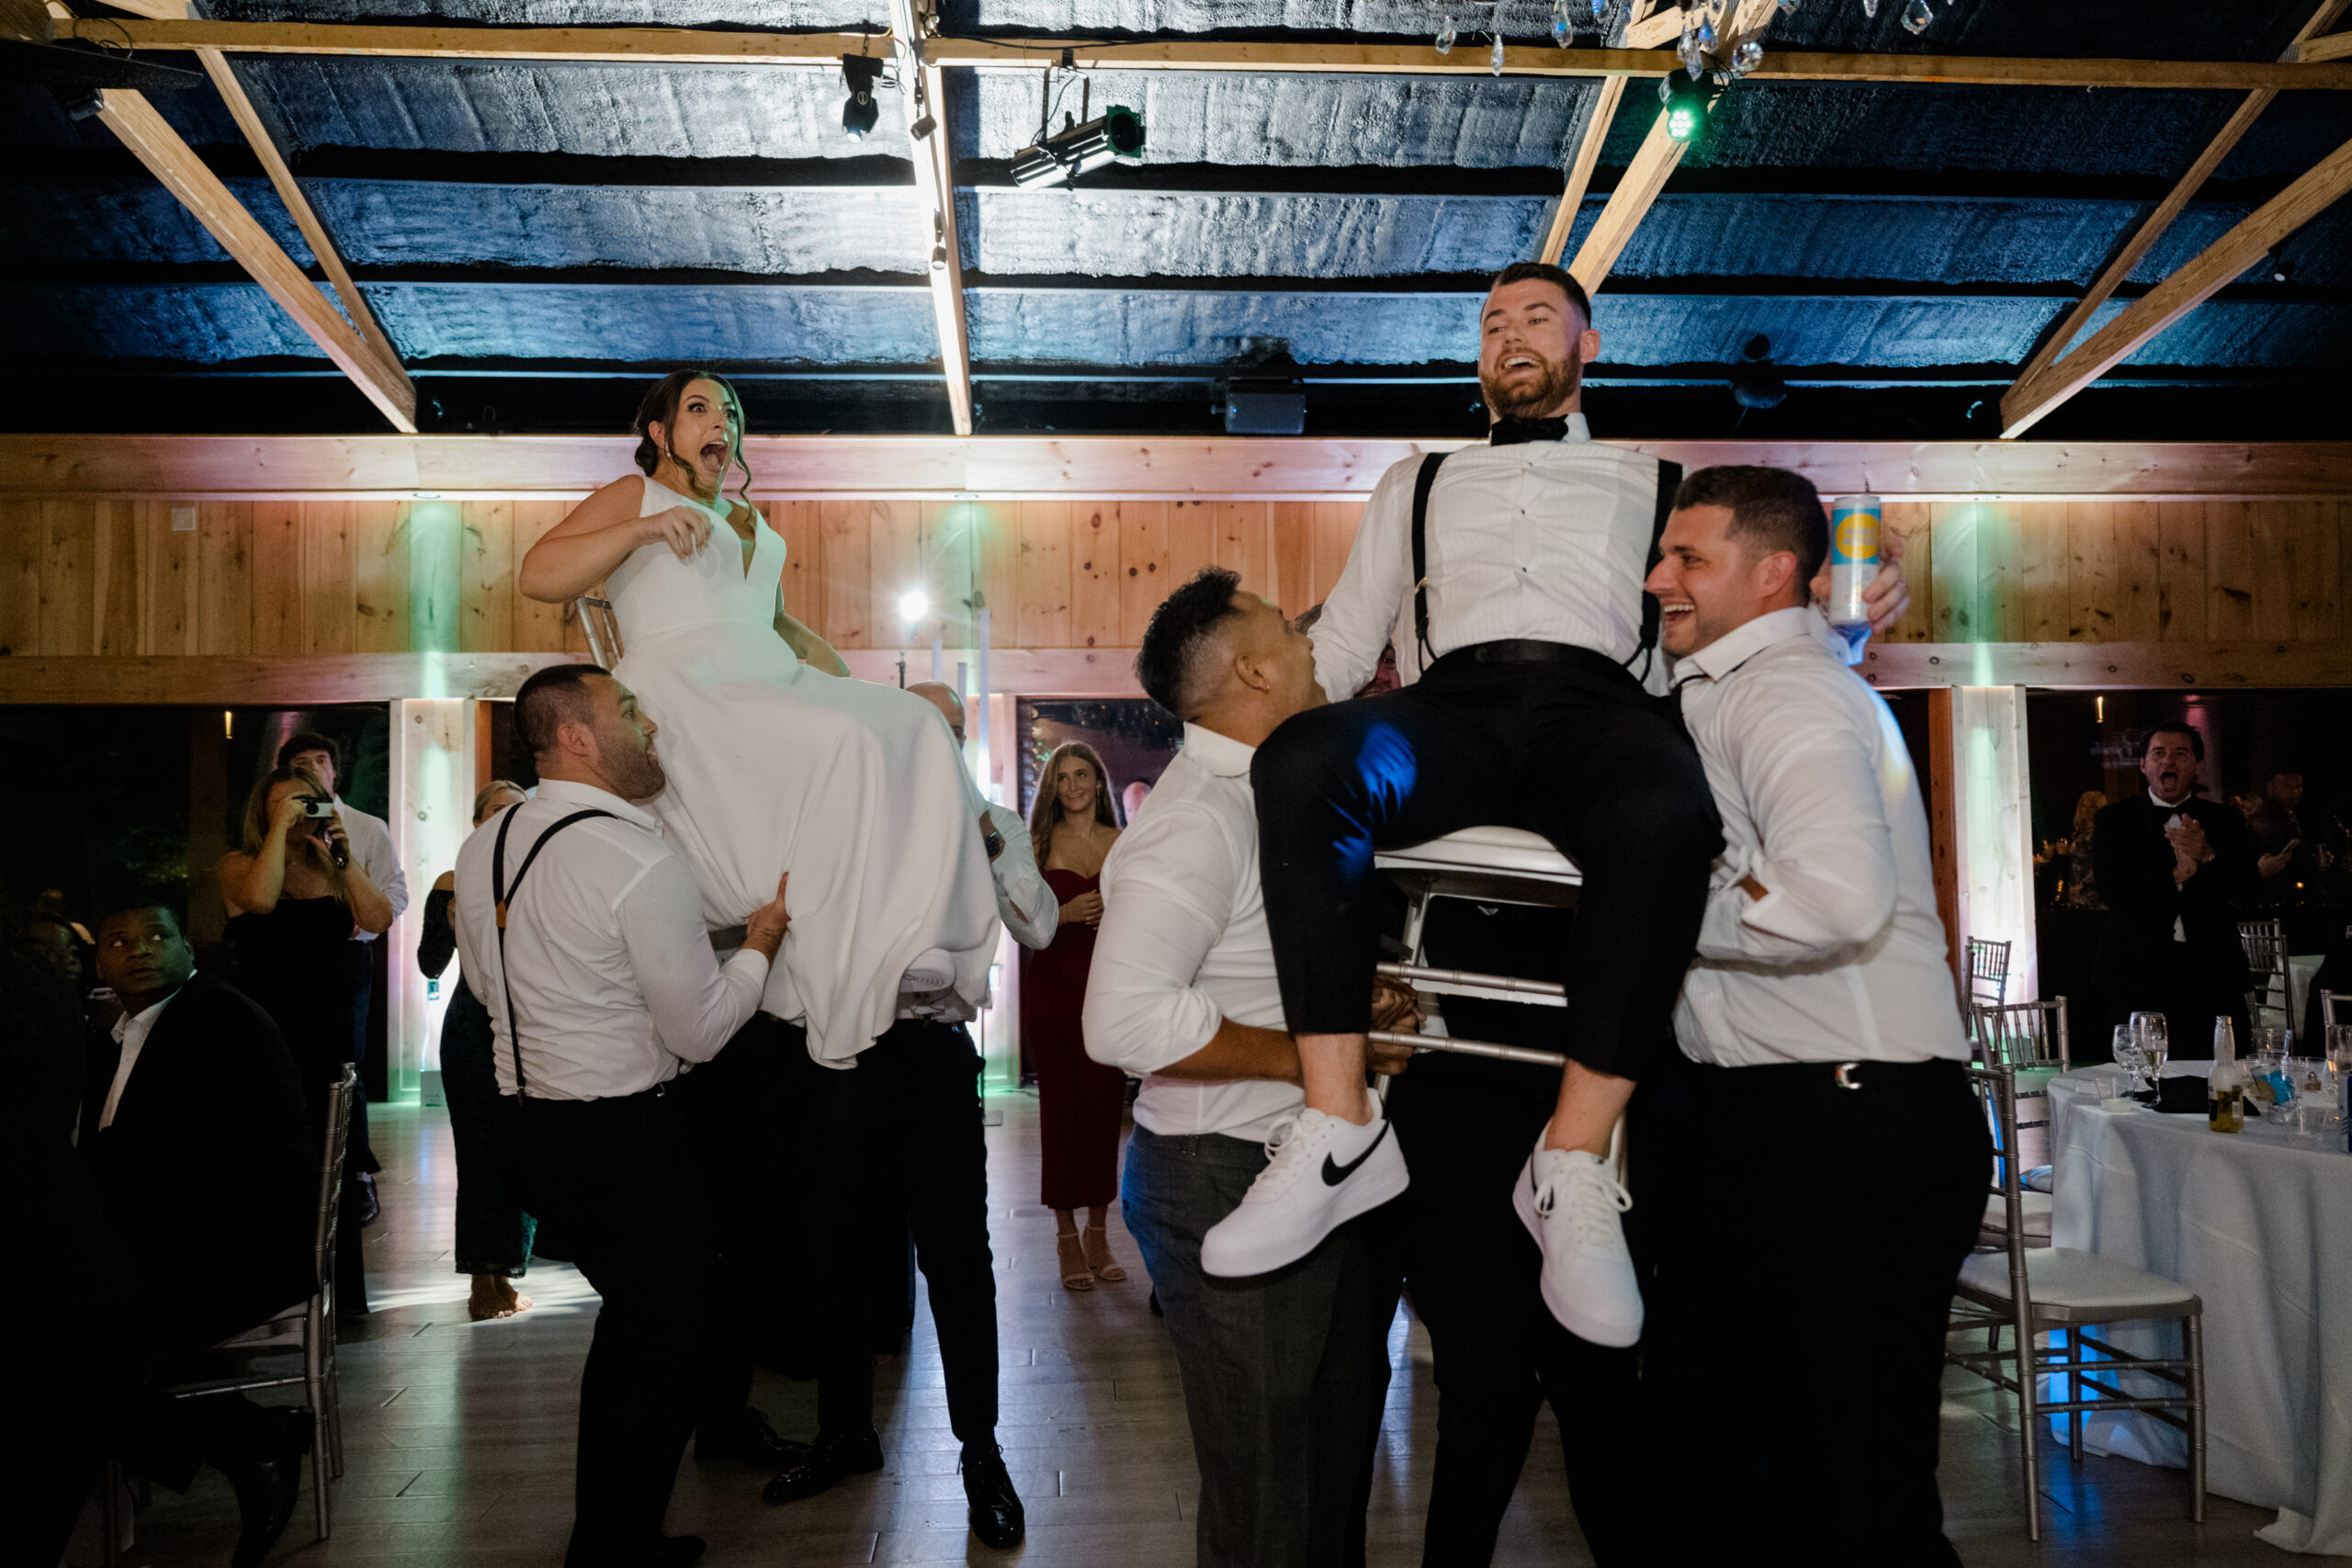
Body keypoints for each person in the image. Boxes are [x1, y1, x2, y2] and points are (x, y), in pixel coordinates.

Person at [1228, 260, 1906, 1345]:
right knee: (1304, 762)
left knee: (1666, 813)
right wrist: (1236, 730)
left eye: (1538, 316)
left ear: (1587, 346)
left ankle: (1572, 1160)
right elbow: (1348, 647)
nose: (1510, 334)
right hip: (1448, 709)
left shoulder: (1663, 482)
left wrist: (1853, 623)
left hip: (1599, 710)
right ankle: (1337, 1120)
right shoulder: (1415, 479)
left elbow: (1730, 626)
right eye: (1492, 322)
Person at [1639, 466, 1988, 1562]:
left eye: (1689, 558)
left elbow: (1830, 903)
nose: (1659, 578)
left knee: (1854, 1480)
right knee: (1757, 1459)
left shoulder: (1783, 691)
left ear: (1777, 569)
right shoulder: (1731, 682)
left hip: (1850, 1122)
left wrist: (1651, 911)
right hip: (1776, 1122)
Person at [516, 369, 1000, 1063]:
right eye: (700, 408)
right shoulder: (638, 495)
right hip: (690, 685)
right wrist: (642, 526)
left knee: (915, 723)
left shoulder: (751, 517)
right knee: (844, 741)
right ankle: (859, 951)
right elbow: (538, 573)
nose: (723, 423)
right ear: (660, 432)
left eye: (731, 412)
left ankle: (921, 939)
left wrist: (860, 692)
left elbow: (780, 626)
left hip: (767, 674)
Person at [1084, 567, 1415, 1568]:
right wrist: (1327, 1060)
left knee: (1336, 1461)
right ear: (1253, 669)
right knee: (1264, 1488)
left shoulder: (1290, 789)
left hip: (1326, 1166)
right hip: (1224, 1170)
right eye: (1285, 625)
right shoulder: (1193, 824)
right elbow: (1125, 1021)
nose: (1311, 638)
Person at [452, 663, 793, 1568]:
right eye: (630, 711)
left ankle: (612, 1537)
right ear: (573, 734)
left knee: (639, 1335)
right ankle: (609, 1550)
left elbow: (487, 990)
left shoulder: (483, 845)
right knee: (663, 1348)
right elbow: (704, 1027)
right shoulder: (638, 855)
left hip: (524, 1134)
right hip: (621, 1143)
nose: (650, 727)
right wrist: (758, 946)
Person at [83, 903, 322, 1568]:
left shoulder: (213, 1020)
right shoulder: (132, 1030)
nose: (138, 950)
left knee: (63, 1349)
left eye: (157, 935)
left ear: (189, 946)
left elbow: (166, 1163)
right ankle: (246, 1434)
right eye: (119, 940)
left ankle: (245, 1443)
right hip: (195, 1240)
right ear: (99, 962)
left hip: (236, 1257)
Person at [220, 761, 395, 1315]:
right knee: (279, 1162)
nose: (299, 811)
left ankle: (341, 1300)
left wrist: (342, 854)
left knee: (332, 1163)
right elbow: (262, 902)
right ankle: (282, 1297)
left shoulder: (330, 863)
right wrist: (278, 833)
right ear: (263, 813)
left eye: (308, 801)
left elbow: (378, 917)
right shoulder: (238, 865)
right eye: (284, 803)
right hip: (269, 1031)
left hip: (330, 1030)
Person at [418, 778, 537, 1321]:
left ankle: (509, 1272)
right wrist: (447, 928)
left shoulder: (542, 875)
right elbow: (428, 964)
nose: (507, 820)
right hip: (471, 1027)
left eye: (517, 811)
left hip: (533, 1022)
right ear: (476, 823)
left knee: (522, 1150)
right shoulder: (451, 881)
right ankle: (479, 1280)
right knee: (478, 1153)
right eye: (495, 812)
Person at [277, 730, 410, 1224]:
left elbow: (395, 893)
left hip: (345, 959)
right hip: (287, 964)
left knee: (344, 1066)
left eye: (321, 759)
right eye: (301, 761)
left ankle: (356, 1173)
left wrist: (354, 923)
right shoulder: (275, 830)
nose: (314, 768)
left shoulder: (366, 826)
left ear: (335, 771)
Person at [1023, 740, 1129, 1290]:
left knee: (1104, 1109)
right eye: (1062, 777)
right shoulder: (1035, 843)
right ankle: (1065, 1234)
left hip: (1108, 990)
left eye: (1081, 774)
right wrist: (1060, 913)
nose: (1073, 785)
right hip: (1054, 990)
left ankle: (1098, 1230)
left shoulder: (1123, 841)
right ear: (1052, 788)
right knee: (1061, 1111)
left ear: (1097, 780)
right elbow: (1017, 919)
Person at [2091, 724, 2258, 1056]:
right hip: (2136, 971)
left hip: (2211, 971)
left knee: (2222, 1074)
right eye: (2159, 753)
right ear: (2144, 765)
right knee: (2142, 1082)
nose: (2169, 760)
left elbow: (2249, 890)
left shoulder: (2226, 820)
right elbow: (2113, 892)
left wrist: (2208, 855)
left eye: (2181, 754)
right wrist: (2175, 875)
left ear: (2196, 766)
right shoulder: (2114, 820)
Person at [2065, 789, 2108, 908]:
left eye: (2092, 806)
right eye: (2084, 806)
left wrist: (2082, 885)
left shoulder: (2101, 833)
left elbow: (2101, 864)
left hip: (2091, 893)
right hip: (2075, 891)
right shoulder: (2081, 832)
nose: (2087, 810)